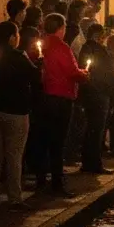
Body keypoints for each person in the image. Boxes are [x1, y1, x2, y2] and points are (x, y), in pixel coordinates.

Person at [0, 20, 42, 208]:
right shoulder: (19, 57)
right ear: (11, 38)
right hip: (16, 112)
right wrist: (39, 63)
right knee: (14, 156)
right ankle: (14, 197)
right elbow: (35, 78)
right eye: (16, 35)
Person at [37, 13, 89, 197]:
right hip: (61, 97)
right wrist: (83, 74)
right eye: (64, 26)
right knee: (58, 141)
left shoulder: (42, 44)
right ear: (60, 28)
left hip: (45, 96)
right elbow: (71, 71)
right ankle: (57, 183)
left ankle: (41, 179)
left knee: (44, 139)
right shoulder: (61, 47)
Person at [78, 23, 114, 174]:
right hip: (98, 94)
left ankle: (89, 161)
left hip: (94, 93)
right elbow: (103, 71)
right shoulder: (96, 49)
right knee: (96, 130)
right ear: (97, 35)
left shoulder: (86, 48)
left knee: (92, 129)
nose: (104, 39)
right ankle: (93, 163)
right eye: (103, 36)